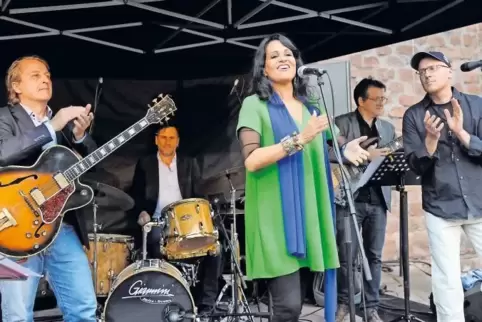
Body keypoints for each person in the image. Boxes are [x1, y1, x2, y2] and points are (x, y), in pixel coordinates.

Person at [235, 33, 370, 322]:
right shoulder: (254, 105)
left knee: (305, 303)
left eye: (288, 53)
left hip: (310, 212)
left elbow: (324, 152)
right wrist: (301, 137)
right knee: (288, 307)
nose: (284, 58)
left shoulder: (312, 107)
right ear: (264, 68)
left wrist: (346, 150)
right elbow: (252, 160)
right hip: (275, 216)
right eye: (275, 55)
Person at [0, 56, 98, 321]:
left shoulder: (64, 124)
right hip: (15, 229)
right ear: (16, 86)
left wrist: (80, 137)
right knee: (18, 316)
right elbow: (3, 153)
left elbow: (87, 166)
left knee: (84, 310)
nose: (45, 79)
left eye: (47, 75)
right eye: (35, 75)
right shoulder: (5, 118)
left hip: (62, 229)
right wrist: (51, 127)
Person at [403, 51, 482, 322]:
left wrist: (461, 133)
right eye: (422, 72)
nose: (427, 74)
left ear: (450, 72)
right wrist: (431, 142)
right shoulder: (414, 115)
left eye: (433, 68)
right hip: (440, 206)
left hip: (480, 201)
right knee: (446, 279)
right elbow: (416, 167)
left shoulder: (476, 105)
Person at [129, 125, 223, 316]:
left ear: (178, 141)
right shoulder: (145, 163)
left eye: (172, 138)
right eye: (163, 137)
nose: (167, 141)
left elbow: (199, 196)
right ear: (156, 140)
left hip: (187, 222)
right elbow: (136, 196)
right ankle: (164, 301)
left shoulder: (189, 163)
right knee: (155, 243)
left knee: (215, 249)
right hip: (158, 223)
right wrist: (142, 213)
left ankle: (206, 306)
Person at [334, 77, 395, 322]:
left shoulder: (389, 129)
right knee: (346, 256)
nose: (382, 102)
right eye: (376, 98)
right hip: (349, 198)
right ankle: (344, 304)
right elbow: (330, 156)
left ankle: (371, 308)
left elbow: (393, 159)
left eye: (384, 98)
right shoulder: (341, 124)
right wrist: (364, 156)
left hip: (378, 199)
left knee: (375, 256)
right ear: (361, 101)